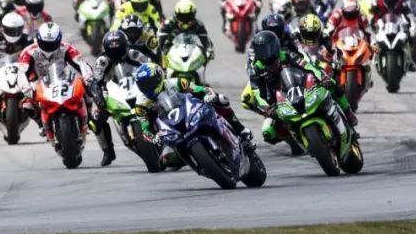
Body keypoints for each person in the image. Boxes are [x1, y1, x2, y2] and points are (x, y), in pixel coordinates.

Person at [241, 30, 357, 148]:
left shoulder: (286, 54)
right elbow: (256, 92)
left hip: (299, 87)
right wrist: (266, 107)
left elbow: (308, 66)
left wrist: (322, 78)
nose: (267, 54)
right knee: (268, 133)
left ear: (276, 46)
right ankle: (294, 142)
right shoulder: (256, 70)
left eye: (269, 49)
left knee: (333, 85)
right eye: (262, 51)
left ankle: (348, 113)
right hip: (278, 102)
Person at [17, 23, 105, 162]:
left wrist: (88, 79)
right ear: (38, 40)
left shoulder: (67, 48)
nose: (49, 47)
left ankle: (88, 116)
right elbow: (21, 73)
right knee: (26, 104)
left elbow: (82, 64)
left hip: (62, 78)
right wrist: (26, 88)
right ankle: (41, 124)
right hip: (38, 81)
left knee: (85, 88)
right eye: (45, 43)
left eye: (52, 44)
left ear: (58, 40)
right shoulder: (28, 52)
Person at [133, 63, 253, 153]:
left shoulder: (176, 83)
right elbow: (144, 127)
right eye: (143, 85)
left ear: (159, 77)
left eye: (150, 83)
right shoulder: (141, 104)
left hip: (188, 111)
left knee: (221, 99)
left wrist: (208, 95)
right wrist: (153, 138)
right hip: (169, 128)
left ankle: (240, 129)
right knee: (168, 160)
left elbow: (198, 89)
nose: (147, 88)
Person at [88, 30, 151, 166]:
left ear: (126, 46)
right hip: (112, 90)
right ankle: (108, 151)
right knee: (95, 121)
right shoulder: (102, 61)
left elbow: (150, 67)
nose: (116, 54)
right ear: (106, 50)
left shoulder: (134, 54)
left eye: (119, 49)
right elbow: (95, 82)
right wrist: (98, 97)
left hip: (135, 85)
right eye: (112, 51)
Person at [0, 12, 31, 98]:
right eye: (11, 31)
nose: (14, 33)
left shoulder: (27, 40)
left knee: (33, 82)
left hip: (20, 67)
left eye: (17, 30)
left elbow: (32, 56)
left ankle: (30, 101)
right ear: (4, 28)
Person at [369, 0, 416, 69]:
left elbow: (409, 13)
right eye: (389, 0)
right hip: (381, 24)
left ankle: (409, 58)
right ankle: (374, 55)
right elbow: (370, 15)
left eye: (393, 0)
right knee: (372, 38)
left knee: (410, 35)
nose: (391, 3)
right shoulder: (377, 2)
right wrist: (372, 21)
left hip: (397, 23)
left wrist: (413, 23)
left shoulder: (402, 1)